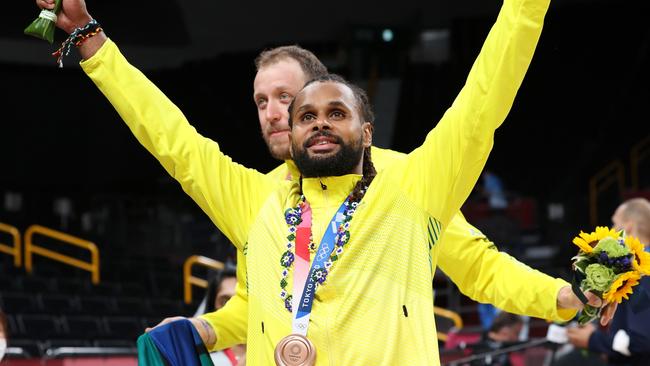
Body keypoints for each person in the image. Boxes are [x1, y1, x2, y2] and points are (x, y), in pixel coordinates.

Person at [35, 0, 615, 364]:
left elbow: (484, 101)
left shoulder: (412, 183)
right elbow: (172, 141)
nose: (278, 114)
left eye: (292, 100)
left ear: (357, 117)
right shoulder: (255, 200)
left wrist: (563, 299)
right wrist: (202, 328)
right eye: (269, 103)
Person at [566, 198, 650, 366]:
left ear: (628, 226)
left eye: (614, 224)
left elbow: (642, 340)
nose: (611, 231)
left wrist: (593, 340)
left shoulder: (641, 272)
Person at [194, 266, 246, 366]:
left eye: (243, 304)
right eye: (225, 301)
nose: (233, 309)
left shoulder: (276, 349)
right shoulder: (199, 358)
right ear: (212, 305)